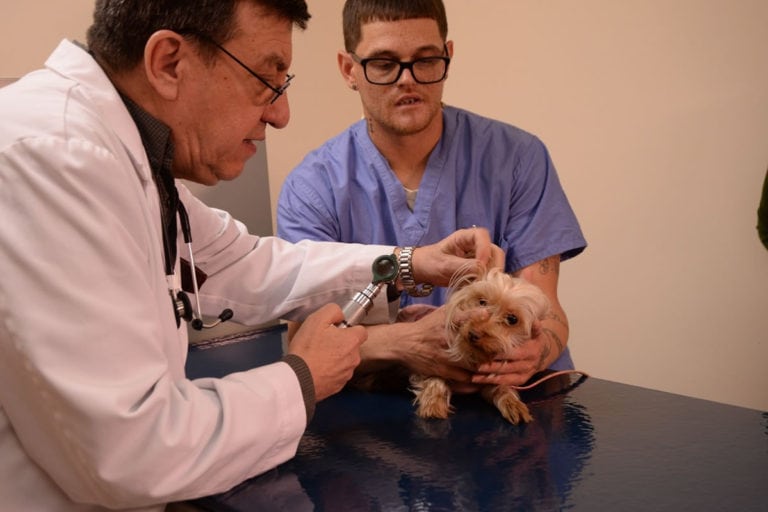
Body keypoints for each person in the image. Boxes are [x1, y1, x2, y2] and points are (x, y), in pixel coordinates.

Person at [0, 1, 502, 510]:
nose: (280, 114)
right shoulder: (53, 155)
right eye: (266, 79)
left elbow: (249, 265)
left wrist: (409, 263)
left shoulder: (127, 159)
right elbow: (129, 450)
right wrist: (301, 378)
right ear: (170, 63)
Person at [277, 0, 587, 392]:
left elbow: (548, 311)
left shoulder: (518, 158)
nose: (407, 80)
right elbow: (306, 340)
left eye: (425, 60)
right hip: (378, 413)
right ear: (349, 69)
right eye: (384, 64)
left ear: (448, 56)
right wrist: (406, 344)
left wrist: (535, 353)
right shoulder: (313, 189)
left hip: (506, 397)